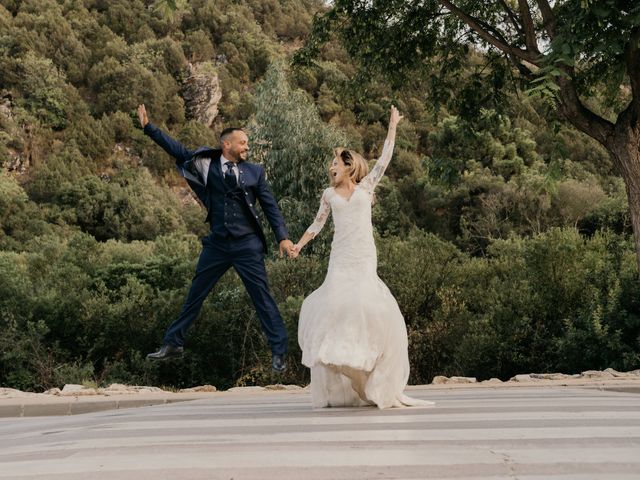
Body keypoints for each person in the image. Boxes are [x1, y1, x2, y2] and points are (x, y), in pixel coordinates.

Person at [291, 106, 434, 408]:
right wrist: (299, 245)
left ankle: (370, 367)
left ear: (348, 167)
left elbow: (385, 158)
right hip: (340, 257)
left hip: (363, 256)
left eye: (335, 164)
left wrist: (392, 125)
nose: (331, 168)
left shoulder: (366, 188)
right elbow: (317, 225)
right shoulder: (328, 195)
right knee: (333, 305)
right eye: (330, 164)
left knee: (364, 305)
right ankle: (345, 363)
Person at [137, 104, 293, 373]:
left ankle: (279, 351)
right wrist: (149, 128)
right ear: (226, 144)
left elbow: (270, 207)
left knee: (262, 298)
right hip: (218, 244)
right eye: (242, 142)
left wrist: (283, 238)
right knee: (195, 294)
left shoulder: (255, 172)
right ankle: (173, 343)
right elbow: (177, 150)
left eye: (247, 143)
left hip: (247, 245)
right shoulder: (206, 163)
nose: (247, 146)